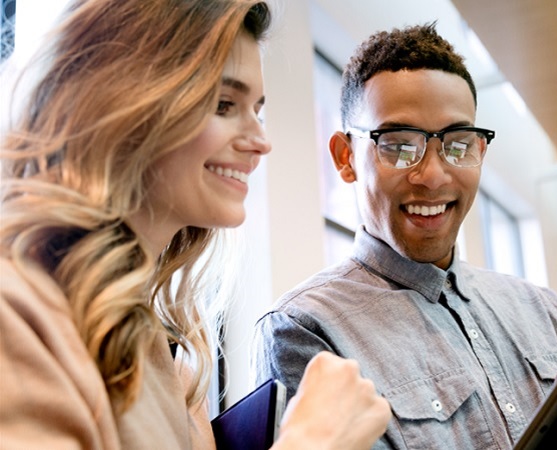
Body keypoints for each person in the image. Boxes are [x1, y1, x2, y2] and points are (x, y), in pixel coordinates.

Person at [251, 23, 557, 449]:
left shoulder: (541, 309)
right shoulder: (305, 328)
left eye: (457, 143)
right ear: (345, 158)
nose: (433, 175)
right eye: (399, 146)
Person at [0, 1, 390, 448]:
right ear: (122, 103)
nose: (261, 142)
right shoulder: (17, 315)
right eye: (224, 104)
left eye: (256, 110)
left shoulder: (163, 358)